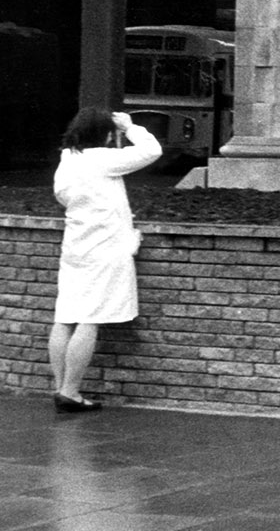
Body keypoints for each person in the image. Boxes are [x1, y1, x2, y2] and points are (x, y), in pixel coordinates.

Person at [48, 107, 159, 412]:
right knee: (90, 319)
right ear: (104, 133)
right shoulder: (102, 159)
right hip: (104, 249)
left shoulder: (67, 160)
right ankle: (70, 392)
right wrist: (130, 127)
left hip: (76, 247)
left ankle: (60, 386)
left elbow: (63, 197)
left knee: (65, 317)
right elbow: (151, 151)